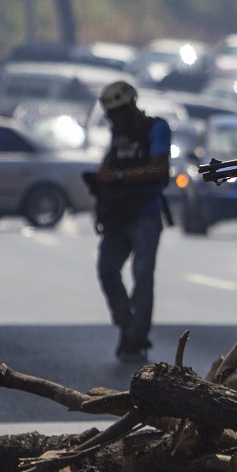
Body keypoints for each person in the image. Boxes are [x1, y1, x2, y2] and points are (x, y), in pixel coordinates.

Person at [91, 80, 171, 363]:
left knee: (142, 277)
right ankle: (126, 324)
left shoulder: (156, 128)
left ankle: (136, 337)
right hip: (118, 215)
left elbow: (159, 168)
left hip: (145, 212)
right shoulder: (118, 134)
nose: (117, 119)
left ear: (132, 106)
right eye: (112, 115)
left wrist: (121, 177)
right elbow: (109, 165)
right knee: (107, 270)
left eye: (120, 112)